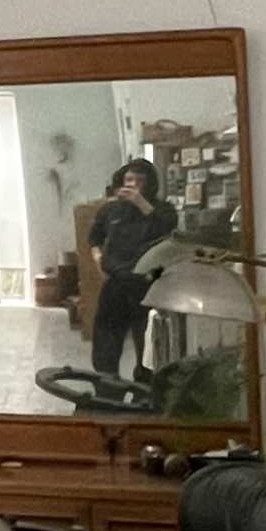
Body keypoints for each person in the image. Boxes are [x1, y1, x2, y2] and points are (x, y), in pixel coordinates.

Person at [82, 156, 177, 383]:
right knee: (106, 340)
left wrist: (141, 202)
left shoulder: (163, 209)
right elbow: (95, 236)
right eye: (128, 179)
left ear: (150, 184)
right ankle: (107, 387)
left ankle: (145, 389)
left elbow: (166, 227)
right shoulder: (111, 210)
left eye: (139, 180)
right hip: (115, 282)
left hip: (149, 284)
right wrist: (97, 257)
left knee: (147, 342)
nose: (132, 184)